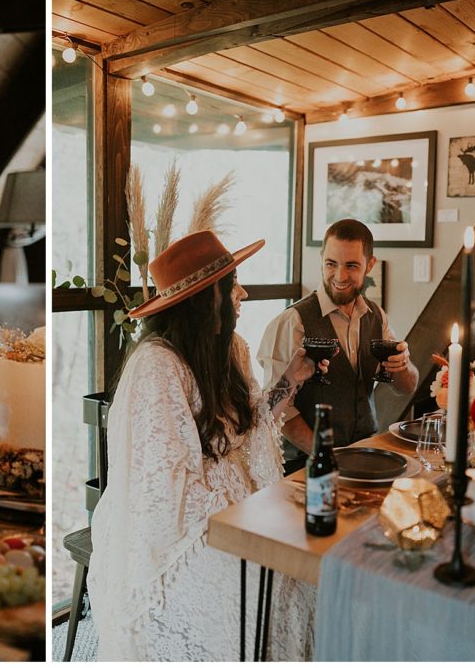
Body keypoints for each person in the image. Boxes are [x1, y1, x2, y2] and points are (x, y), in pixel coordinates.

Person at [89, 231, 324, 661]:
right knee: (281, 575)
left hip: (240, 507)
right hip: (181, 536)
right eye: (232, 285)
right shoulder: (157, 366)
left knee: (310, 556)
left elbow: (248, 427)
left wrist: (291, 379)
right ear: (205, 299)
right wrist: (250, 516)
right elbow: (166, 492)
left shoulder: (230, 348)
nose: (243, 293)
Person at [257, 218, 417, 473]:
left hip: (364, 455)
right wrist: (327, 456)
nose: (340, 276)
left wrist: (403, 365)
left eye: (351, 266)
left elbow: (405, 387)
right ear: (321, 260)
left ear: (370, 265)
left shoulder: (376, 316)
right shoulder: (292, 322)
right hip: (306, 465)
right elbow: (279, 412)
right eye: (331, 264)